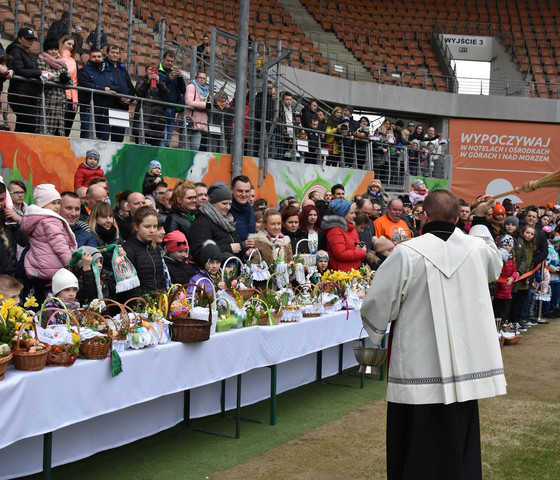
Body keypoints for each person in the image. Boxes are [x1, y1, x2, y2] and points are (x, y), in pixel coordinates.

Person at [361, 191, 506, 480]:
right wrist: (478, 219)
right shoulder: (475, 248)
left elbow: (378, 304)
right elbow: (495, 265)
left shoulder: (407, 252)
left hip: (418, 364)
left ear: (423, 216)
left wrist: (374, 333)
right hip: (465, 364)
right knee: (458, 435)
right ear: (456, 218)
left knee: (417, 440)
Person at [21, 184, 77, 303]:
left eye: (58, 203)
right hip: (52, 268)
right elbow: (59, 244)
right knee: (55, 305)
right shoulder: (51, 220)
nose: (57, 207)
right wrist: (70, 263)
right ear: (42, 204)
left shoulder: (36, 220)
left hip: (39, 268)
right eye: (53, 203)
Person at [188, 183, 245, 267]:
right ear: (213, 203)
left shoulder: (229, 220)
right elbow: (200, 251)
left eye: (230, 204)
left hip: (231, 270)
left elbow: (235, 245)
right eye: (224, 203)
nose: (228, 207)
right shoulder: (201, 222)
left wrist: (245, 249)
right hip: (214, 272)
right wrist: (229, 248)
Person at [122, 206, 166, 299]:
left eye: (155, 226)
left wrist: (162, 297)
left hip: (158, 303)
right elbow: (130, 286)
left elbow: (161, 277)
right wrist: (144, 304)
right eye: (147, 226)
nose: (152, 230)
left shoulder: (155, 248)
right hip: (139, 306)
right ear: (136, 226)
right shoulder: (128, 250)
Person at [7, 28, 42, 133]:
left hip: (28, 94)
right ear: (19, 39)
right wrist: (39, 73)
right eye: (27, 38)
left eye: (32, 39)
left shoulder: (29, 54)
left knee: (23, 125)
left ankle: (17, 148)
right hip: (19, 93)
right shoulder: (15, 50)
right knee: (29, 124)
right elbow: (19, 70)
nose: (30, 41)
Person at [77, 48, 117, 140]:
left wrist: (108, 89)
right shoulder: (84, 71)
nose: (97, 58)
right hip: (89, 109)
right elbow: (85, 85)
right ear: (89, 58)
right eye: (94, 57)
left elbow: (117, 86)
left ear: (102, 58)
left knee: (104, 141)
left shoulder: (108, 73)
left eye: (99, 56)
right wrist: (103, 89)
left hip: (105, 111)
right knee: (86, 138)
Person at [321, 199, 366, 272]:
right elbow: (340, 254)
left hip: (353, 270)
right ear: (342, 214)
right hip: (342, 273)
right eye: (351, 213)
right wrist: (361, 252)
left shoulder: (351, 228)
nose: (354, 216)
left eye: (354, 213)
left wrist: (359, 249)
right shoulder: (335, 230)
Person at [132, 62, 169, 145]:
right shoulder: (141, 81)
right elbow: (139, 92)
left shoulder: (161, 83)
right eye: (150, 69)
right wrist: (148, 82)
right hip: (143, 118)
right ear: (146, 71)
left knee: (153, 148)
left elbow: (166, 94)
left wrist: (158, 82)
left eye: (154, 70)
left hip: (156, 121)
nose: (152, 72)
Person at [103, 45, 134, 142]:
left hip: (122, 108)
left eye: (117, 53)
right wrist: (119, 98)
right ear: (107, 53)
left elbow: (131, 87)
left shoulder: (122, 68)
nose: (115, 55)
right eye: (112, 52)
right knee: (104, 137)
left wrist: (130, 99)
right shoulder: (103, 66)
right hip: (108, 106)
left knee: (118, 139)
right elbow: (105, 84)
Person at [158, 50, 186, 147]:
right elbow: (157, 86)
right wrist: (167, 79)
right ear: (163, 59)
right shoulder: (158, 71)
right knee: (162, 137)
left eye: (171, 61)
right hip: (160, 108)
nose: (170, 63)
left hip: (172, 108)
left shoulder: (174, 73)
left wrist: (181, 77)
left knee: (168, 138)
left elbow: (183, 90)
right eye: (168, 60)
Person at [184, 71, 210, 151]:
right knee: (184, 145)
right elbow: (188, 102)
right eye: (200, 77)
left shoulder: (206, 90)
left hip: (200, 122)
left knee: (195, 147)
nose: (202, 80)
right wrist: (205, 105)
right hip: (190, 119)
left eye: (204, 78)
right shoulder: (191, 86)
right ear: (196, 78)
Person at [59, 35, 78, 136]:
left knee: (67, 129)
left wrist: (75, 100)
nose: (70, 47)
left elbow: (74, 81)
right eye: (68, 44)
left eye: (72, 45)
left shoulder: (73, 61)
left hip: (70, 98)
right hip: (59, 96)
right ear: (62, 43)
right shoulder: (57, 56)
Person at [230, 175, 255, 245]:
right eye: (240, 191)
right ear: (231, 190)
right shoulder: (226, 210)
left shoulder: (251, 211)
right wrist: (242, 245)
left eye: (247, 191)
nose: (244, 194)